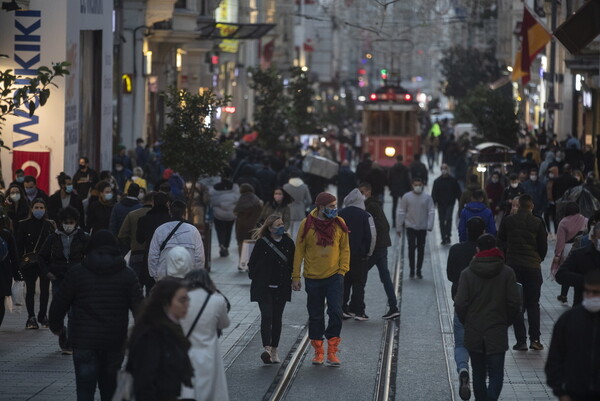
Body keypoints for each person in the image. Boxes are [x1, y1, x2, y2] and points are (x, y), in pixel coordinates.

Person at [48, 230, 142, 401]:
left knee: (84, 390)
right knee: (110, 390)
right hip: (114, 342)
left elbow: (59, 304)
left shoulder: (77, 273)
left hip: (84, 342)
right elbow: (140, 309)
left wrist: (57, 327)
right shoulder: (127, 275)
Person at [455, 234, 520, 401]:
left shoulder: (467, 274)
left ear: (477, 250)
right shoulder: (507, 273)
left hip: (474, 330)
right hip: (496, 330)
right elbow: (514, 303)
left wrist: (467, 321)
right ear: (496, 249)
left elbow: (460, 303)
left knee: (478, 373)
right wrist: (505, 321)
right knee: (496, 374)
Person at [292, 192, 350, 366]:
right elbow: (299, 251)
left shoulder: (339, 223)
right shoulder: (307, 224)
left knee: (336, 313)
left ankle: (332, 351)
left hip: (335, 276)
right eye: (331, 206)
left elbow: (345, 248)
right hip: (313, 277)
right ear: (320, 207)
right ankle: (318, 351)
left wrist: (342, 271)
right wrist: (295, 276)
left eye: (335, 205)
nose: (334, 209)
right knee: (315, 315)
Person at [127, 278, 194, 401]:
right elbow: (144, 382)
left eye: (187, 299)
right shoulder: (152, 334)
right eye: (181, 300)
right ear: (166, 303)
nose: (187, 304)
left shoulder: (172, 327)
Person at [498, 194, 547, 351]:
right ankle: (535, 339)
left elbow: (500, 240)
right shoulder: (538, 222)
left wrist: (507, 257)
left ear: (519, 206)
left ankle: (521, 341)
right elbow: (543, 246)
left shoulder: (508, 221)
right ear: (531, 206)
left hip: (513, 268)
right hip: (533, 268)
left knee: (516, 304)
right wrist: (538, 259)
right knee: (533, 304)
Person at [38, 206, 90, 353]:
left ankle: (71, 342)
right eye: (66, 222)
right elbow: (41, 256)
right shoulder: (53, 237)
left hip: (77, 279)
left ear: (76, 222)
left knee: (74, 312)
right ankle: (62, 332)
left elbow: (91, 255)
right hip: (58, 278)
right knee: (58, 310)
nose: (68, 224)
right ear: (61, 222)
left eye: (71, 222)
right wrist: (47, 273)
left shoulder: (83, 237)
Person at [446, 217, 486, 400]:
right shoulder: (486, 253)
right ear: (483, 231)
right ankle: (479, 379)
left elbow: (449, 275)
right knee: (479, 345)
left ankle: (463, 369)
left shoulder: (456, 249)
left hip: (460, 300)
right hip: (482, 304)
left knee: (461, 343)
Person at [545, 269, 600, 401]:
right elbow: (555, 357)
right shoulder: (569, 319)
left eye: (596, 293)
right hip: (574, 392)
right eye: (587, 292)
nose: (591, 296)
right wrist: (560, 391)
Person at [248, 215, 295, 364]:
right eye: (277, 225)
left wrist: (295, 279)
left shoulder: (288, 243)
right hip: (264, 287)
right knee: (267, 316)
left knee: (277, 318)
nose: (281, 227)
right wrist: (256, 276)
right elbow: (252, 263)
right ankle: (267, 348)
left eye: (282, 224)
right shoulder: (262, 243)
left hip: (281, 286)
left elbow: (293, 263)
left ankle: (275, 349)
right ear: (270, 228)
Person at [179, 269, 231, 401]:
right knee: (209, 392)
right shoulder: (217, 300)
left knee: (188, 391)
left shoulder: (180, 300)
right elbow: (224, 324)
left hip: (185, 352)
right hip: (209, 355)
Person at [359, 183, 399, 319]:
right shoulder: (375, 204)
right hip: (382, 247)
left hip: (376, 248)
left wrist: (371, 246)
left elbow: (376, 228)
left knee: (360, 274)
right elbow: (386, 225)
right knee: (385, 277)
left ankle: (358, 307)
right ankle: (393, 306)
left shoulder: (370, 206)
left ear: (368, 191)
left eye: (362, 191)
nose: (361, 194)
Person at [16, 198, 56, 329]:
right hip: (29, 262)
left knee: (45, 291)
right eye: (36, 207)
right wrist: (19, 264)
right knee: (30, 290)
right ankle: (31, 317)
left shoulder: (50, 224)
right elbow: (19, 246)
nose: (39, 210)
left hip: (45, 262)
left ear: (45, 209)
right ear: (31, 209)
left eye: (41, 208)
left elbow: (54, 245)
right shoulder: (23, 224)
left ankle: (42, 316)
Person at [339, 189, 375, 321]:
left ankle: (342, 308)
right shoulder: (365, 215)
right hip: (360, 256)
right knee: (359, 284)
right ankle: (359, 311)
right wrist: (368, 252)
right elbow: (371, 236)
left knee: (345, 283)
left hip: (343, 255)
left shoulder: (340, 214)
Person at [148, 200, 205, 280]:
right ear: (184, 213)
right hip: (187, 275)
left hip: (164, 275)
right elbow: (199, 257)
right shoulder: (193, 231)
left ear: (170, 212)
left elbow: (153, 255)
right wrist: (197, 275)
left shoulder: (160, 230)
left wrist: (155, 275)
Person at [396, 177, 435, 279]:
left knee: (421, 249)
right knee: (411, 248)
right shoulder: (407, 197)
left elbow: (431, 211)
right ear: (412, 185)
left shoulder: (427, 197)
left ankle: (419, 270)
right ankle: (412, 269)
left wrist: (429, 225)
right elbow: (401, 212)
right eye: (416, 185)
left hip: (422, 227)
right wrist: (399, 227)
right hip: (410, 227)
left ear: (422, 185)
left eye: (419, 184)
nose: (418, 187)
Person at [551, 202, 588, 305]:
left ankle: (563, 295)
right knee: (578, 272)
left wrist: (557, 254)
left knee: (567, 271)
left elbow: (560, 241)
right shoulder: (585, 220)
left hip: (567, 249)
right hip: (581, 247)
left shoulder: (563, 222)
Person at [556, 222, 600, 307]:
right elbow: (560, 275)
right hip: (583, 307)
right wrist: (586, 280)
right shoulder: (580, 255)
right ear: (593, 238)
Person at [118, 191, 154, 294]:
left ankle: (138, 308)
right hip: (153, 256)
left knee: (136, 287)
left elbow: (122, 235)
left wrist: (131, 244)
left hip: (136, 254)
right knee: (151, 289)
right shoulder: (158, 217)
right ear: (152, 201)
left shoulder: (132, 215)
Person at [136, 192, 172, 291]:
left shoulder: (144, 219)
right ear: (167, 204)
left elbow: (139, 240)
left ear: (153, 203)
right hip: (168, 260)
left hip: (149, 259)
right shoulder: (171, 221)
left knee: (150, 291)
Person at [209, 168, 240, 258]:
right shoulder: (234, 187)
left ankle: (221, 244)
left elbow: (211, 200)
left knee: (220, 230)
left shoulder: (215, 187)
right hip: (231, 213)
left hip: (218, 213)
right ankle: (226, 246)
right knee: (229, 230)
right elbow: (237, 198)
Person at [0, 210, 21, 328]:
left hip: (4, 272)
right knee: (1, 301)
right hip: (4, 272)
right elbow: (14, 256)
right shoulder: (7, 233)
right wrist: (17, 273)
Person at [431, 163, 461, 245]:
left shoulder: (453, 181)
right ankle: (443, 237)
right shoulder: (437, 181)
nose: (444, 170)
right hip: (440, 204)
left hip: (450, 203)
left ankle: (448, 235)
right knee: (441, 220)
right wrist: (433, 203)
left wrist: (459, 201)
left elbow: (458, 192)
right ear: (441, 170)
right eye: (443, 168)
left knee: (448, 219)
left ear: (448, 170)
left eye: (445, 168)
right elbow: (434, 193)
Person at [234, 183, 262, 258]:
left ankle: (242, 262)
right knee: (253, 244)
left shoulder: (241, 199)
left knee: (241, 244)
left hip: (241, 226)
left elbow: (235, 212)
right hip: (253, 226)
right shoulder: (256, 199)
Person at [283, 171, 312, 238]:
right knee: (298, 233)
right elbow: (309, 200)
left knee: (288, 231)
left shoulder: (285, 187)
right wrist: (304, 206)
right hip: (300, 212)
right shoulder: (304, 187)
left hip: (288, 211)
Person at [388, 155, 411, 228]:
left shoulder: (392, 169)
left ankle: (394, 222)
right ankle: (403, 222)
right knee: (403, 207)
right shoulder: (406, 169)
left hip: (394, 189)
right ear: (402, 160)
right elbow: (408, 180)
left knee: (394, 206)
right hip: (403, 190)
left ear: (396, 159)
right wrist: (409, 189)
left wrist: (391, 188)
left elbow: (389, 179)